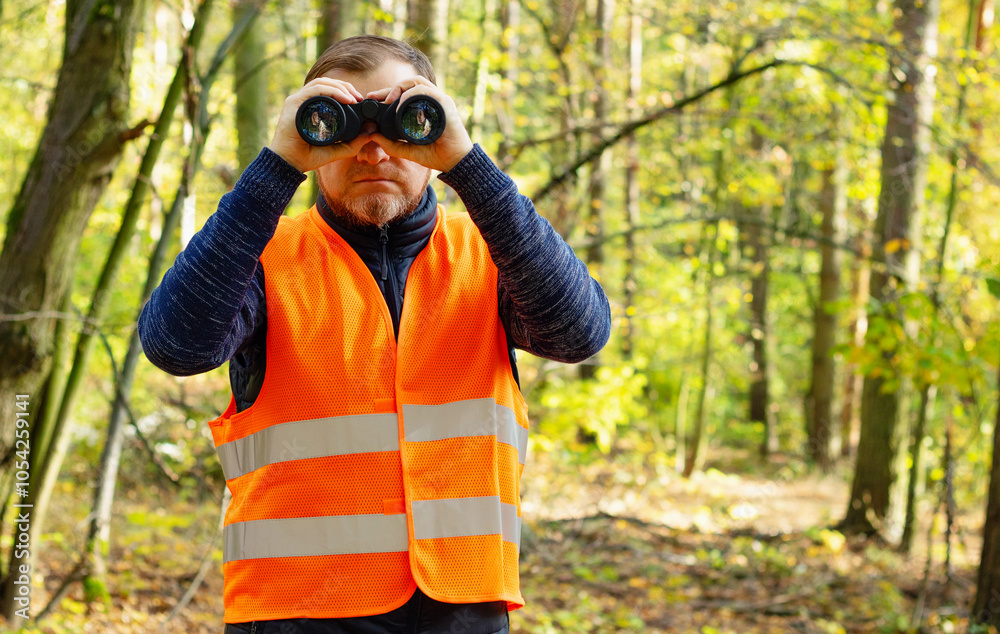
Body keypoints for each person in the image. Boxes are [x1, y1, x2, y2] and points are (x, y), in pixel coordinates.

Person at [138, 35, 610, 634]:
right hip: (296, 612)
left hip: (463, 606)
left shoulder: (491, 252)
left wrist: (470, 166)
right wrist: (275, 167)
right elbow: (175, 345)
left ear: (434, 129)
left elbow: (579, 334)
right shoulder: (264, 256)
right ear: (311, 135)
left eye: (401, 121)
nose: (372, 151)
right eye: (340, 126)